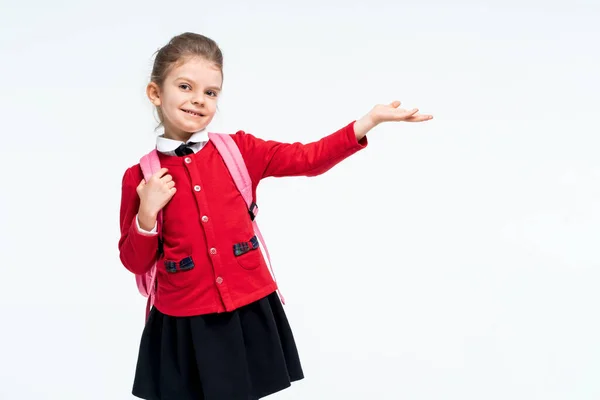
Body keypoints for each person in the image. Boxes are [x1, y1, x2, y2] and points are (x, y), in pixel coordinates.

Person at [118, 31, 433, 400]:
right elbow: (134, 260)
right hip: (184, 318)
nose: (198, 100)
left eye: (211, 92)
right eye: (185, 86)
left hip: (246, 306)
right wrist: (147, 213)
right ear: (156, 92)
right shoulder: (140, 176)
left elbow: (308, 158)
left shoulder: (240, 149)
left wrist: (367, 122)